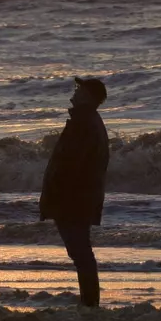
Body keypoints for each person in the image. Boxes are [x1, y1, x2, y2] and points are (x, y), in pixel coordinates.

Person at [39, 76, 110, 308]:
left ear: (88, 96)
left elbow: (72, 164)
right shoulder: (87, 120)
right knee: (80, 252)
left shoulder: (84, 122)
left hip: (74, 199)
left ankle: (90, 302)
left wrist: (57, 194)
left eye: (80, 89)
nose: (75, 92)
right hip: (79, 197)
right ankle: (89, 300)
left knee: (80, 253)